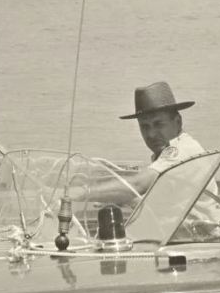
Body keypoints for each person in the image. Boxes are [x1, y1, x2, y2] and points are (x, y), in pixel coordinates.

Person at [75, 81, 208, 204]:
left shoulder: (182, 151)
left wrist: (80, 193)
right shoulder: (164, 154)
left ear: (178, 122)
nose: (151, 134)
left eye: (159, 124)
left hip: (199, 229)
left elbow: (137, 185)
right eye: (145, 126)